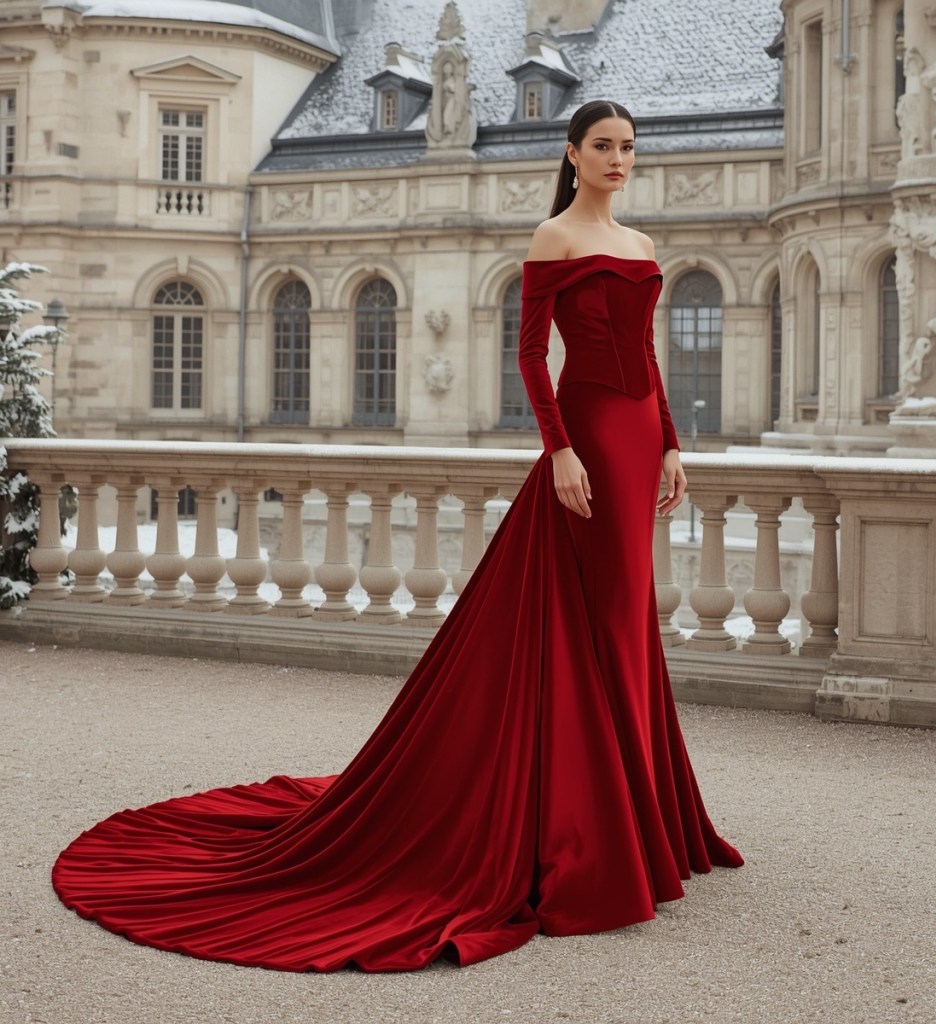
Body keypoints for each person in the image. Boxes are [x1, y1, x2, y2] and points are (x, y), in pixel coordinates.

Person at [51, 99, 742, 973]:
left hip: (642, 436)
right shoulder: (552, 238)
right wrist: (559, 449)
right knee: (601, 625)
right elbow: (532, 356)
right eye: (603, 146)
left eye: (629, 147)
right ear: (572, 153)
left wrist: (674, 443)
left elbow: (648, 355)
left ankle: (643, 821)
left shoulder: (643, 247)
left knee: (629, 622)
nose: (618, 159)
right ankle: (599, 834)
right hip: (592, 438)